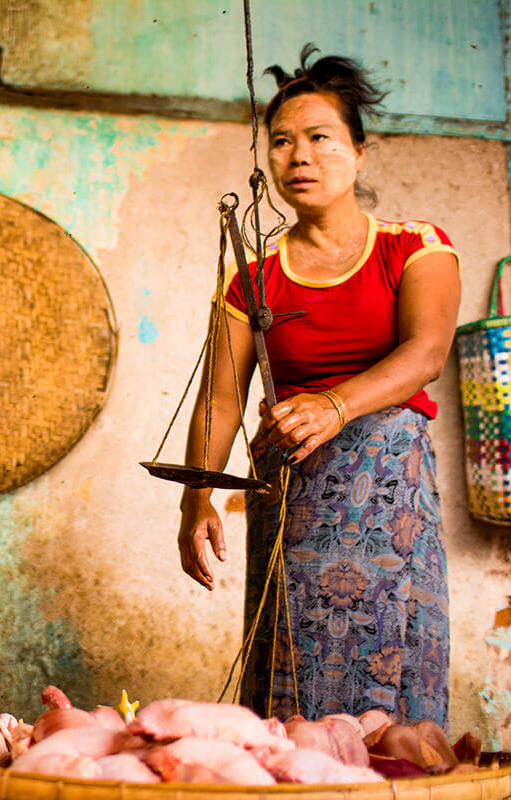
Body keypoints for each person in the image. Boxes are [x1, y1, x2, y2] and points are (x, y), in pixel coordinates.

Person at [176, 45, 459, 727]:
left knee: (393, 667)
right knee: (291, 669)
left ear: (360, 153)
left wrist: (336, 405)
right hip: (293, 494)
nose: (298, 157)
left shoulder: (413, 246)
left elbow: (425, 352)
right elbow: (220, 400)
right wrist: (196, 499)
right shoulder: (253, 279)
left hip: (390, 496)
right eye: (281, 142)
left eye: (319, 138)